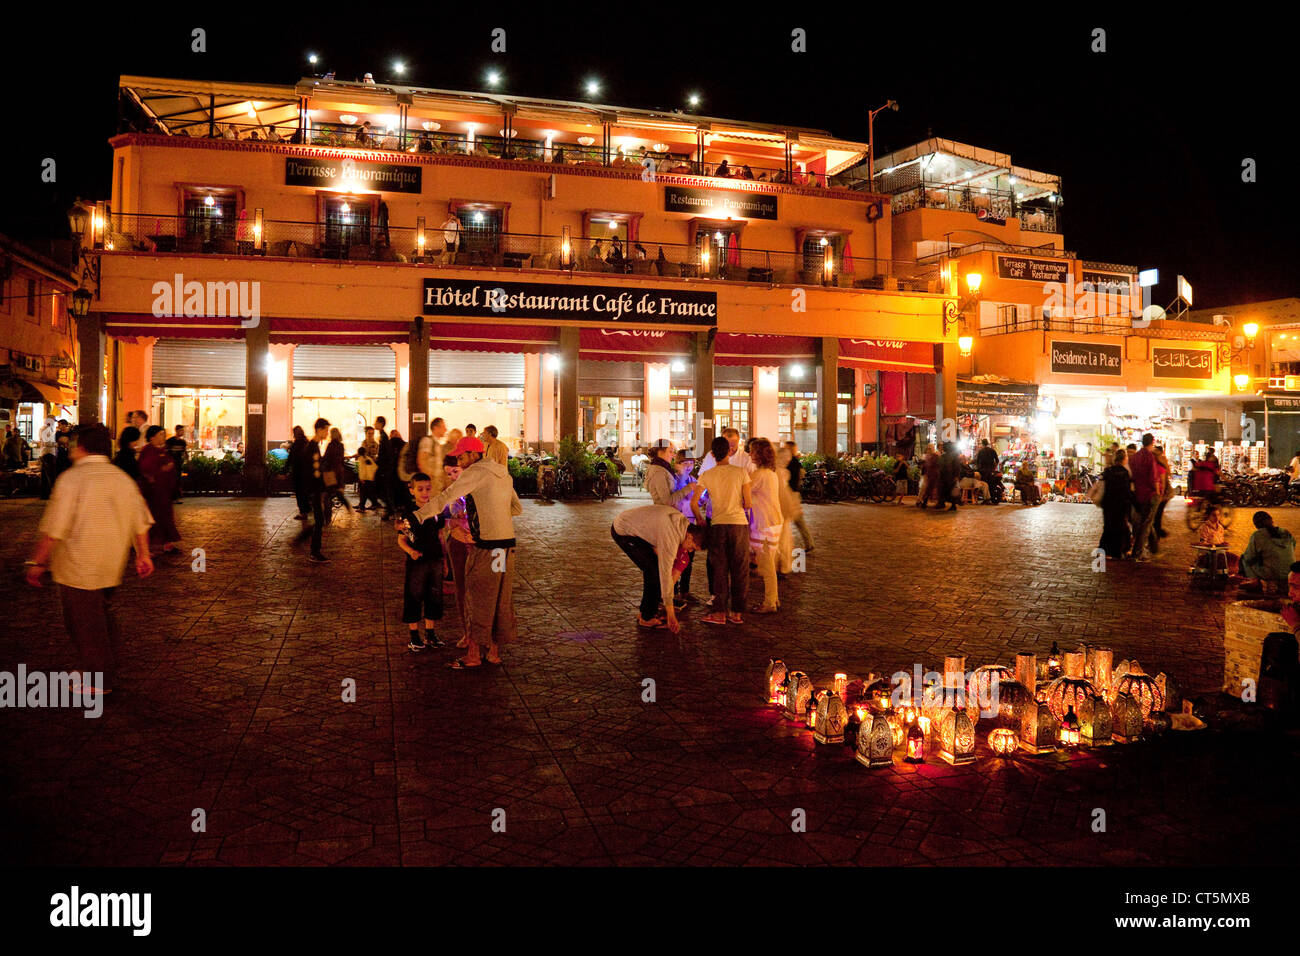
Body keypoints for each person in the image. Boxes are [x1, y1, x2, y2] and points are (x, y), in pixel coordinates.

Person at [24, 424, 155, 696]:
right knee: (99, 617)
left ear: (81, 447)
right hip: (110, 564)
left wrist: (38, 562)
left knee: (84, 624)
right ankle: (99, 667)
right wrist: (143, 554)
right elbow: (140, 521)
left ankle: (99, 679)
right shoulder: (122, 479)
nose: (71, 449)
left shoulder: (73, 479)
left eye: (73, 444)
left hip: (78, 565)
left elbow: (55, 528)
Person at [413, 437, 521, 669]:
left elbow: (445, 497)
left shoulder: (475, 472)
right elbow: (516, 508)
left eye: (462, 456)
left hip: (487, 548)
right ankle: (493, 651)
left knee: (478, 598)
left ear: (474, 454)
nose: (460, 462)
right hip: (506, 547)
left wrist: (418, 516)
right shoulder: (503, 473)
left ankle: (473, 655)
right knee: (500, 598)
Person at [611, 504, 706, 632]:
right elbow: (665, 574)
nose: (689, 551)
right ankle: (646, 617)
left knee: (653, 569)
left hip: (637, 529)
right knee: (654, 572)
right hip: (623, 530)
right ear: (690, 537)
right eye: (692, 547)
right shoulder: (672, 537)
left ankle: (646, 612)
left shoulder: (683, 525)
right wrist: (671, 614)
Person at [692, 435, 753, 626]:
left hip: (717, 524)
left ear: (712, 454)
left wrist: (700, 518)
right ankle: (736, 613)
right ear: (729, 451)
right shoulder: (741, 472)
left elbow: (695, 503)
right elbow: (748, 503)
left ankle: (719, 612)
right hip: (738, 524)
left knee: (719, 569)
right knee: (740, 569)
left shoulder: (707, 475)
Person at [395, 472, 447, 652]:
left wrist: (444, 559)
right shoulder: (409, 514)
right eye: (420, 489)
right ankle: (414, 636)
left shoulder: (436, 511)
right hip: (417, 563)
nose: (425, 493)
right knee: (414, 596)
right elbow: (401, 539)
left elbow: (441, 536)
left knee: (434, 596)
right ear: (412, 491)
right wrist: (411, 551)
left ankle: (430, 633)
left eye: (428, 489)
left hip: (435, 560)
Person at [748, 438, 784, 613]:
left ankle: (769, 602)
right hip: (774, 521)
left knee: (766, 565)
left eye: (752, 451)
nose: (749, 454)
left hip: (763, 523)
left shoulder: (759, 474)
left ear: (760, 454)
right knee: (769, 562)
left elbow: (743, 494)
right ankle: (774, 598)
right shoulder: (771, 472)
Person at [138, 425, 182, 553]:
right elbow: (146, 469)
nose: (163, 437)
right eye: (161, 434)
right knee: (156, 517)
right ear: (152, 438)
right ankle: (156, 544)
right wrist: (162, 470)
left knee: (166, 517)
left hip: (165, 492)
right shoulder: (148, 451)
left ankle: (166, 543)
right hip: (154, 493)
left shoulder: (163, 451)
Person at [293, 418, 331, 562]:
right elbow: (311, 471)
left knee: (320, 520)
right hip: (314, 490)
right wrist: (317, 491)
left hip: (314, 490)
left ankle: (306, 543)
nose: (327, 433)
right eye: (326, 430)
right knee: (320, 520)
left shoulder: (313, 446)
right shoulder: (311, 447)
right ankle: (314, 552)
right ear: (320, 430)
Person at [1240, 511, 1296, 594]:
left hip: (1271, 574)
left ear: (1256, 525)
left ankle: (1254, 585)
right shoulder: (1285, 532)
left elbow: (1248, 557)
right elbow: (1293, 546)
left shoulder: (1258, 535)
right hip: (1289, 572)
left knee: (1243, 559)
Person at [1098, 448, 1135, 559]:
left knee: (1108, 526)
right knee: (1120, 526)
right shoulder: (1125, 473)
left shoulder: (1108, 471)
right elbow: (1127, 490)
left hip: (1108, 502)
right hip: (1120, 503)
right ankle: (1118, 551)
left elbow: (1103, 486)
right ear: (1124, 459)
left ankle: (1105, 550)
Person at [1129, 433, 1159, 562]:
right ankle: (1139, 551)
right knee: (1146, 523)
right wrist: (1158, 491)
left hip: (1138, 493)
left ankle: (1150, 547)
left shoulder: (1135, 457)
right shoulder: (1149, 457)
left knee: (1142, 522)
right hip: (1149, 493)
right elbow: (1153, 477)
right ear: (1152, 442)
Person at [783, 441, 813, 551]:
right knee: (797, 520)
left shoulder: (792, 462)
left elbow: (791, 479)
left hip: (791, 494)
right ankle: (808, 543)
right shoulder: (795, 462)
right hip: (793, 493)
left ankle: (805, 543)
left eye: (786, 448)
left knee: (794, 520)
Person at [1195, 504, 1239, 575]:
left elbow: (1221, 541)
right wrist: (1214, 546)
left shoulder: (1220, 528)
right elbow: (1202, 543)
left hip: (1220, 553)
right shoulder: (1205, 528)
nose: (1217, 517)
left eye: (1218, 515)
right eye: (1214, 515)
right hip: (1209, 555)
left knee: (1236, 558)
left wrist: (1224, 544)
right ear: (1208, 516)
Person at [323, 427, 352, 517]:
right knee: (338, 493)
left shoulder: (330, 445)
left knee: (328, 494)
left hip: (331, 473)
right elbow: (341, 459)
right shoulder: (341, 445)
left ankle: (327, 514)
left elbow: (326, 458)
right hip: (339, 471)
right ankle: (348, 506)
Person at [354, 426, 380, 511]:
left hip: (369, 471)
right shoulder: (363, 443)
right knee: (365, 489)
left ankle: (366, 505)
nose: (370, 435)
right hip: (365, 469)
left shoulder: (375, 444)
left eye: (372, 433)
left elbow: (374, 456)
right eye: (369, 433)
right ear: (366, 434)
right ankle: (364, 504)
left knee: (367, 489)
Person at [289, 425, 311, 520]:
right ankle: (306, 510)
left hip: (298, 472)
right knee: (305, 492)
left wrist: (284, 471)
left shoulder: (296, 444)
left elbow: (290, 458)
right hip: (306, 472)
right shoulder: (307, 443)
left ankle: (303, 512)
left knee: (299, 493)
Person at [374, 416, 394, 517]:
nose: (374, 424)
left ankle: (390, 509)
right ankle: (389, 509)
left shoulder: (383, 437)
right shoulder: (382, 435)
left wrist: (377, 462)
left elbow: (384, 454)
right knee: (384, 489)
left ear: (380, 424)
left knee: (383, 489)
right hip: (385, 467)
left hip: (384, 468)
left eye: (376, 422)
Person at [164, 424, 187, 501]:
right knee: (172, 480)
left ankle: (177, 496)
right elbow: (166, 451)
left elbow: (184, 452)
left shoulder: (182, 442)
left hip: (179, 463)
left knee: (178, 480)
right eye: (181, 430)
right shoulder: (170, 441)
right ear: (177, 431)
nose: (182, 432)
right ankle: (172, 496)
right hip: (171, 464)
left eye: (183, 430)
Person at [937, 441, 961, 511]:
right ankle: (949, 504)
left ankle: (947, 504)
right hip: (949, 476)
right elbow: (957, 467)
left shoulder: (945, 456)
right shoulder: (953, 456)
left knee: (947, 490)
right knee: (949, 491)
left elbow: (956, 467)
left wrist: (956, 476)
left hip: (947, 476)